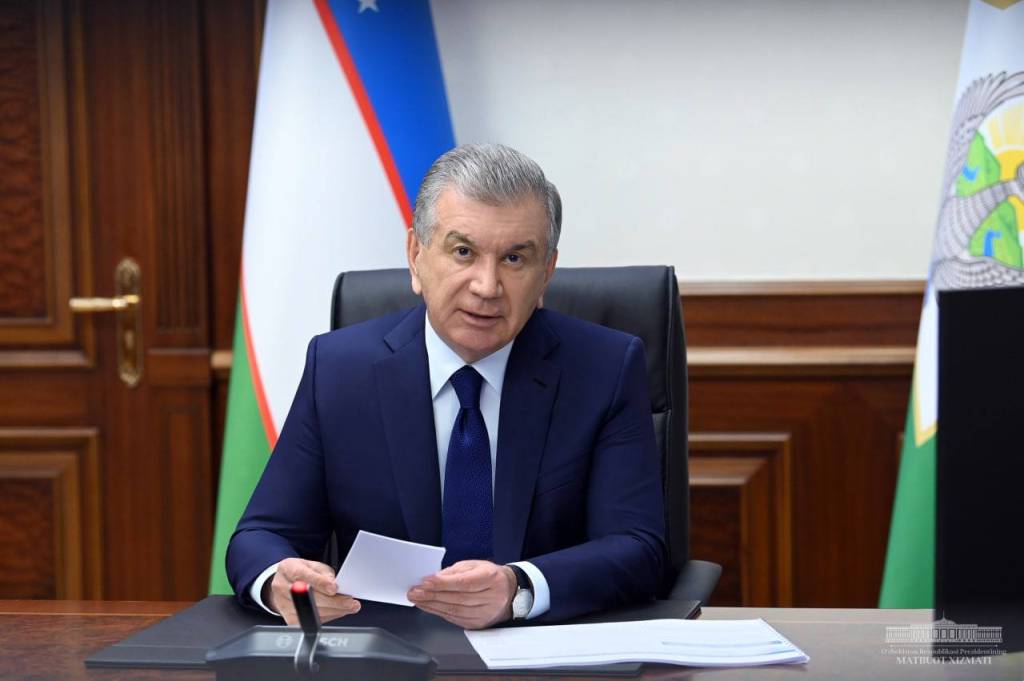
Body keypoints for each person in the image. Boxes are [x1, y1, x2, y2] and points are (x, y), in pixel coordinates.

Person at [226, 143, 667, 630]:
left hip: (539, 649)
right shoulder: (339, 370)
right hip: (389, 649)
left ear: (546, 274)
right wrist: (278, 580)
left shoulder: (604, 369)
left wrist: (518, 588)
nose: (487, 286)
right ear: (416, 256)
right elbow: (261, 535)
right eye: (463, 252)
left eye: (514, 258)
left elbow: (638, 548)